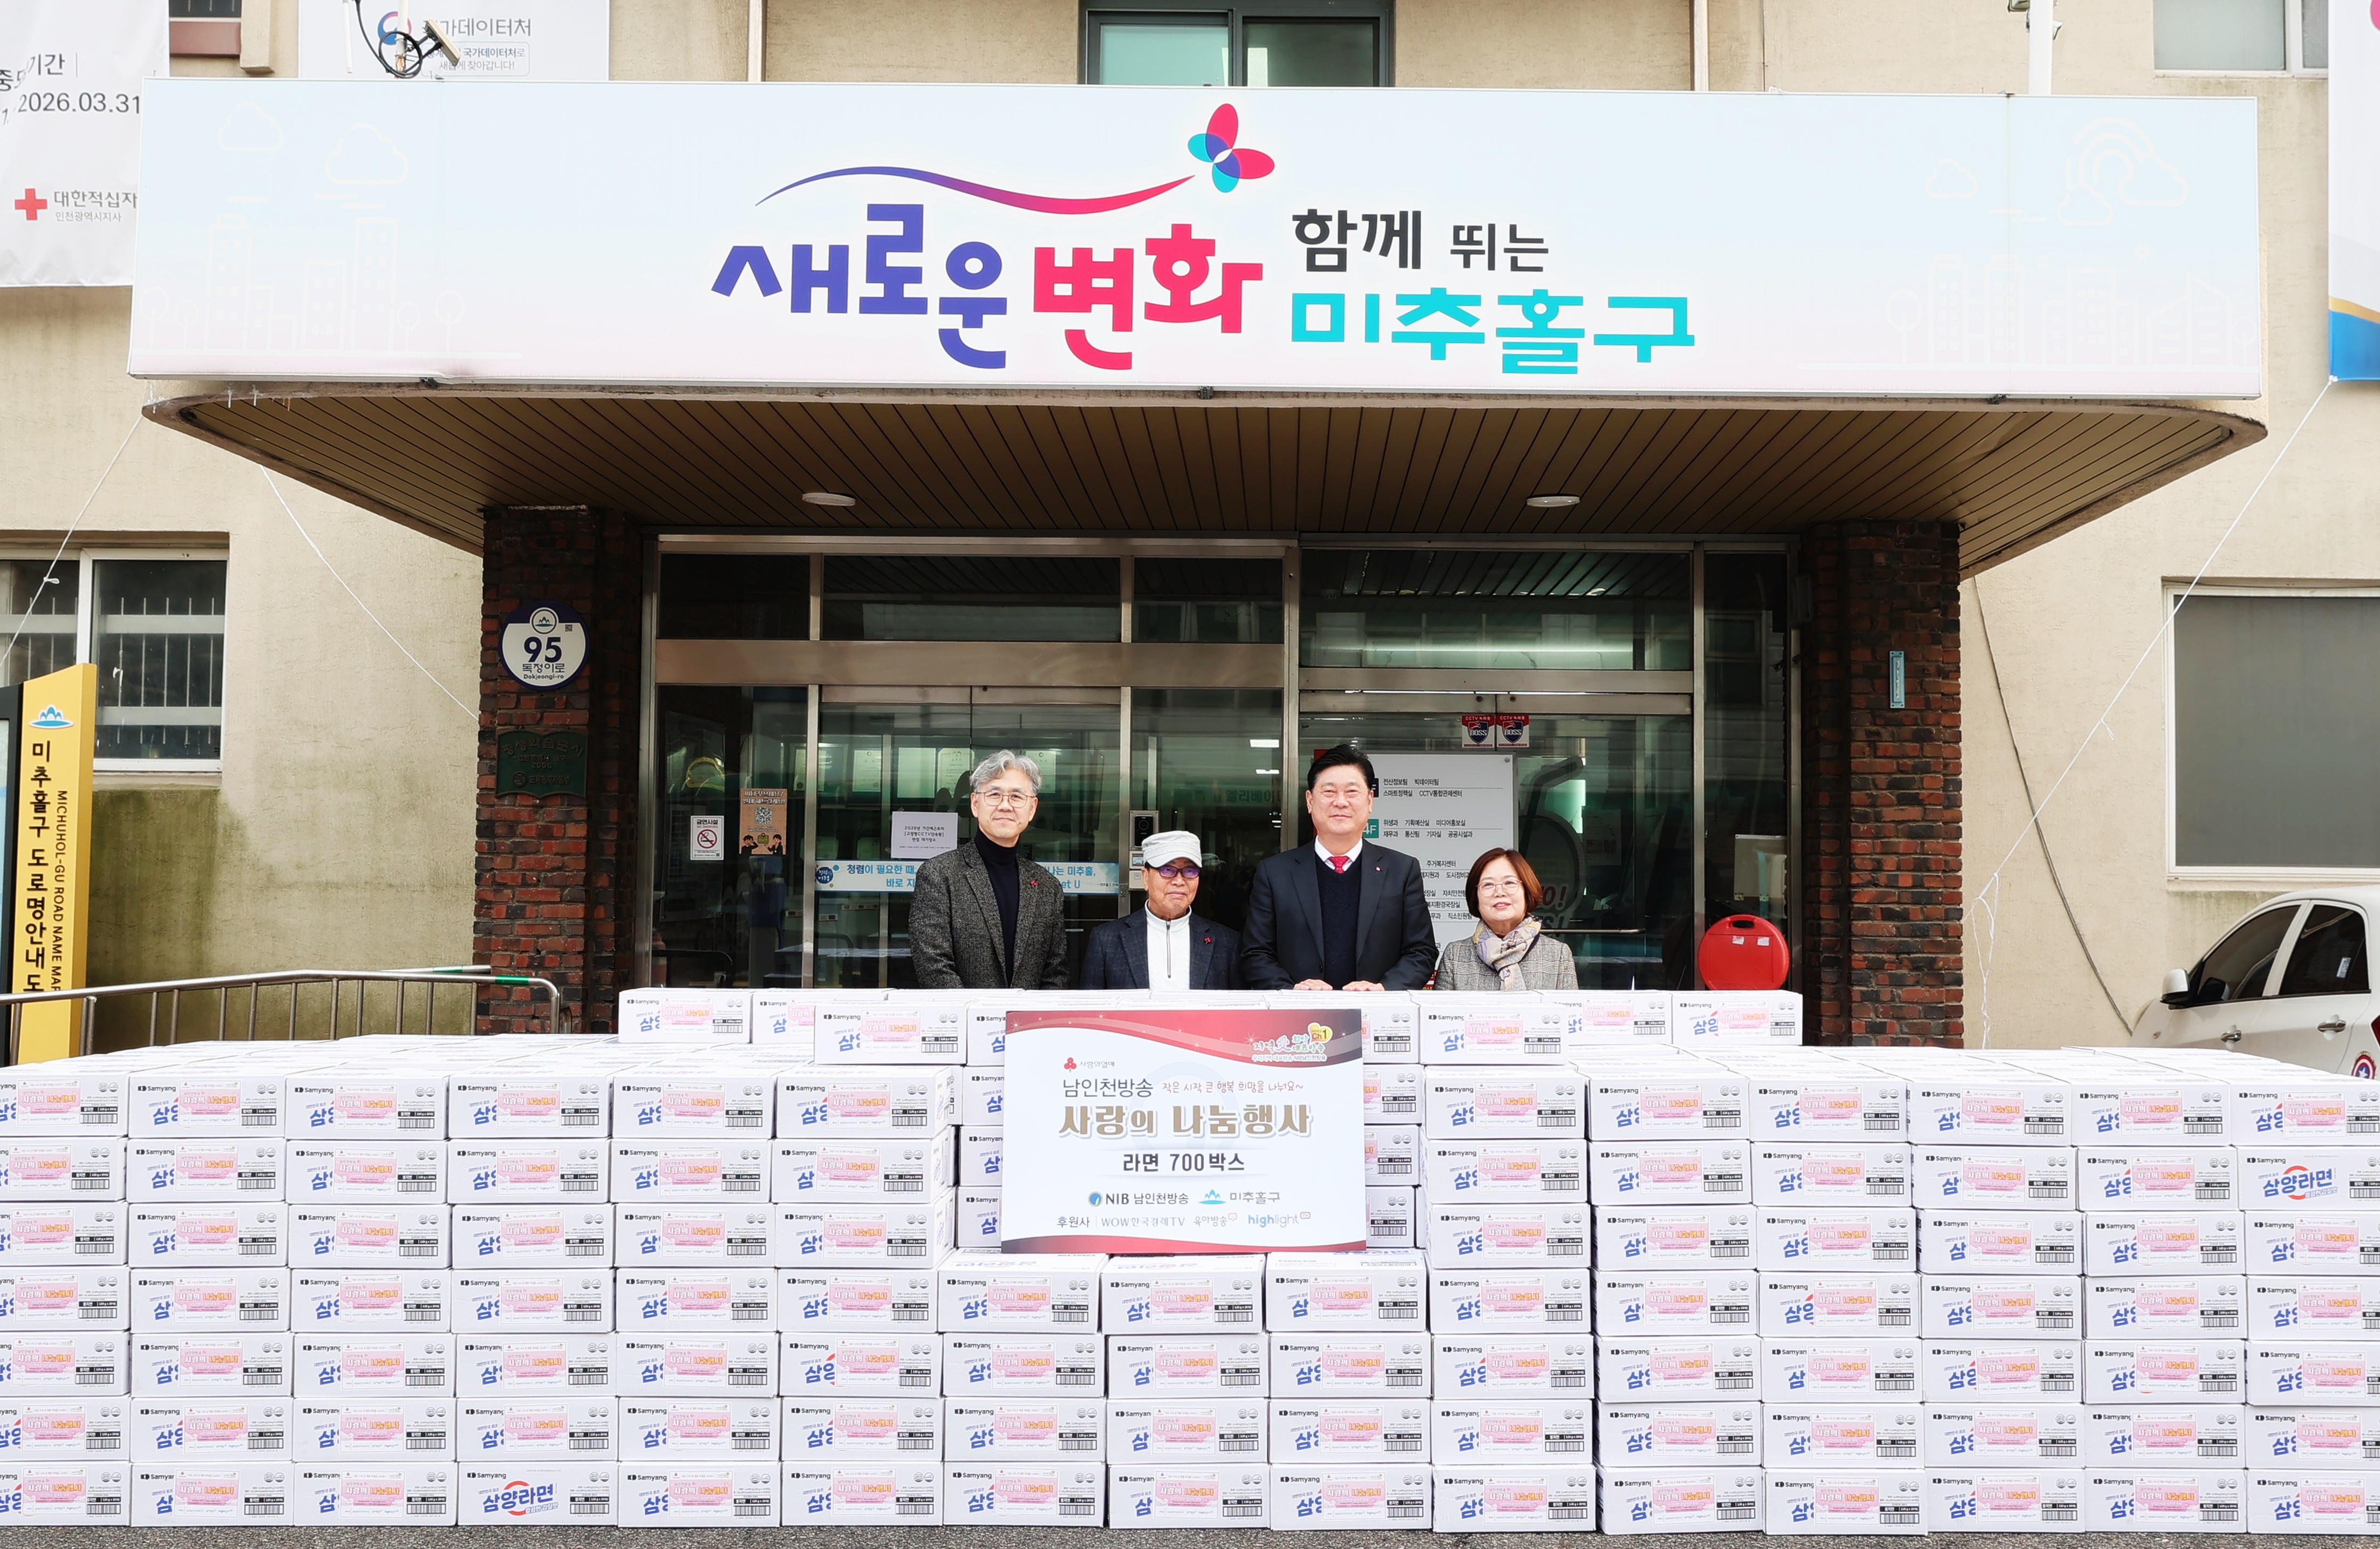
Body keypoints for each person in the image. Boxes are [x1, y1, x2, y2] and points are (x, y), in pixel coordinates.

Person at [1240, 745, 1437, 991]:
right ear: (1310, 801)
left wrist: (1384, 989)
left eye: (1352, 792)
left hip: (1377, 1010)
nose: (1341, 802)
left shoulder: (1402, 870)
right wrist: (1292, 991)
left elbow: (1421, 951)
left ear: (1369, 801)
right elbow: (1255, 953)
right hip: (1299, 1012)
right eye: (1329, 791)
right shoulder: (1274, 873)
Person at [909, 750, 1069, 990]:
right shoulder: (939, 875)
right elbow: (934, 967)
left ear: (1032, 808)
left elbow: (1056, 973)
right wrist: (976, 1011)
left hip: (1029, 1015)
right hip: (963, 1013)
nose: (1005, 806)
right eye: (994, 795)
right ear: (975, 804)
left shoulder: (1047, 886)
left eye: (1017, 797)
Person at [1079, 830, 1245, 990]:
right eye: (1167, 870)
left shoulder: (1226, 943)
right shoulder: (1106, 940)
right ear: (1145, 877)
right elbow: (1090, 1006)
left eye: (1189, 871)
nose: (1179, 881)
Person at [1433, 847, 1580, 991]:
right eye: (1488, 885)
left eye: (1510, 883)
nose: (1499, 892)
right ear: (1476, 898)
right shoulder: (1456, 955)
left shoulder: (1558, 955)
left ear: (1527, 892)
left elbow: (1570, 1007)